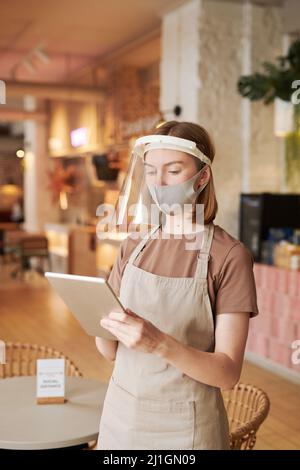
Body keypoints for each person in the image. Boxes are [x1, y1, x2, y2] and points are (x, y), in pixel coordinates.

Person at [95, 121, 259, 450]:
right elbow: (110, 351)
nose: (159, 182)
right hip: (121, 419)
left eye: (173, 170)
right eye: (152, 171)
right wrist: (99, 320)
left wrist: (158, 344)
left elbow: (227, 375)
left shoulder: (229, 256)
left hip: (187, 431)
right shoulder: (133, 245)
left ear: (202, 176)